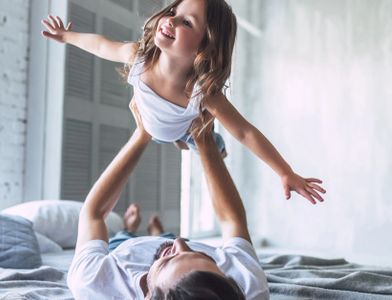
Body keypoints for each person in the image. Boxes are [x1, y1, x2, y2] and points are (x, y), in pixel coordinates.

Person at [41, 0, 326, 204]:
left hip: (182, 129)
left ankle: (202, 143)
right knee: (167, 136)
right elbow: (102, 44)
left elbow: (245, 131)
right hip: (151, 124)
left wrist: (285, 171)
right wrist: (66, 36)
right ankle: (180, 139)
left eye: (187, 22)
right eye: (175, 11)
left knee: (203, 138)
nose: (172, 20)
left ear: (205, 46)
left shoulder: (202, 93)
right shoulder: (139, 57)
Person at [66, 101, 270, 299]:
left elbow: (94, 214)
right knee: (169, 237)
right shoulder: (247, 286)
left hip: (124, 251)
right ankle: (159, 232)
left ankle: (130, 228)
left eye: (168, 260)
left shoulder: (95, 282)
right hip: (163, 254)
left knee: (121, 237)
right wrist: (203, 138)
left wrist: (142, 134)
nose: (180, 242)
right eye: (206, 258)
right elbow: (232, 220)